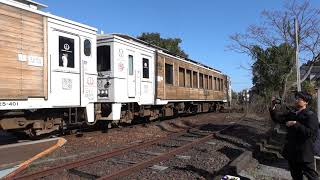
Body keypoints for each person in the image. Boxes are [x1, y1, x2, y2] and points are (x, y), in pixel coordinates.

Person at [269, 91, 319, 180]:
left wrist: (295, 123)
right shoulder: (292, 113)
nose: (296, 100)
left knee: (312, 177)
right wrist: (273, 107)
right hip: (292, 152)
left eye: (299, 99)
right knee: (295, 176)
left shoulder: (311, 115)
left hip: (304, 153)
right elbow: (278, 119)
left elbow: (310, 133)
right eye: (296, 98)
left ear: (306, 102)